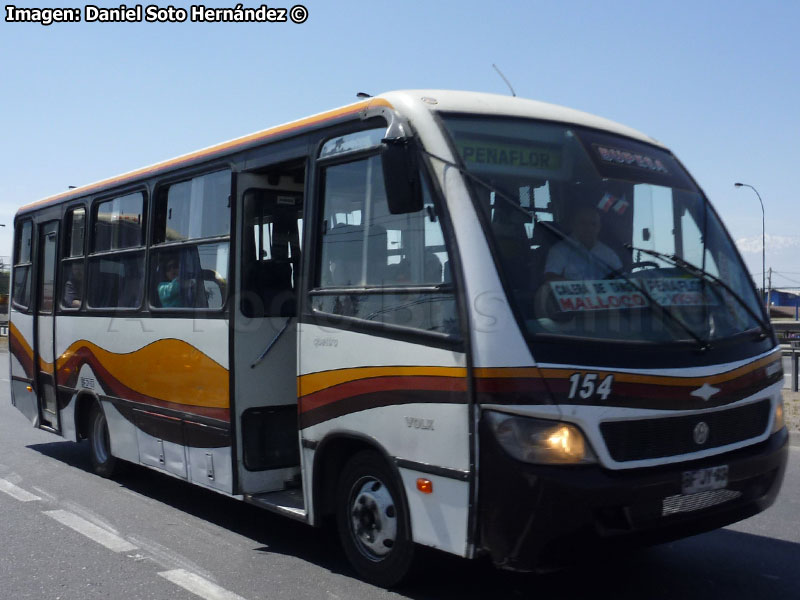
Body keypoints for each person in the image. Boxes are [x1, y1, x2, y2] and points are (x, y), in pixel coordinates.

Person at [544, 205, 622, 281]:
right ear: (573, 225)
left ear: (599, 227)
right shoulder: (559, 251)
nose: (589, 228)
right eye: (583, 223)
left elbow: (621, 281)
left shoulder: (609, 254)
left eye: (593, 224)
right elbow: (551, 278)